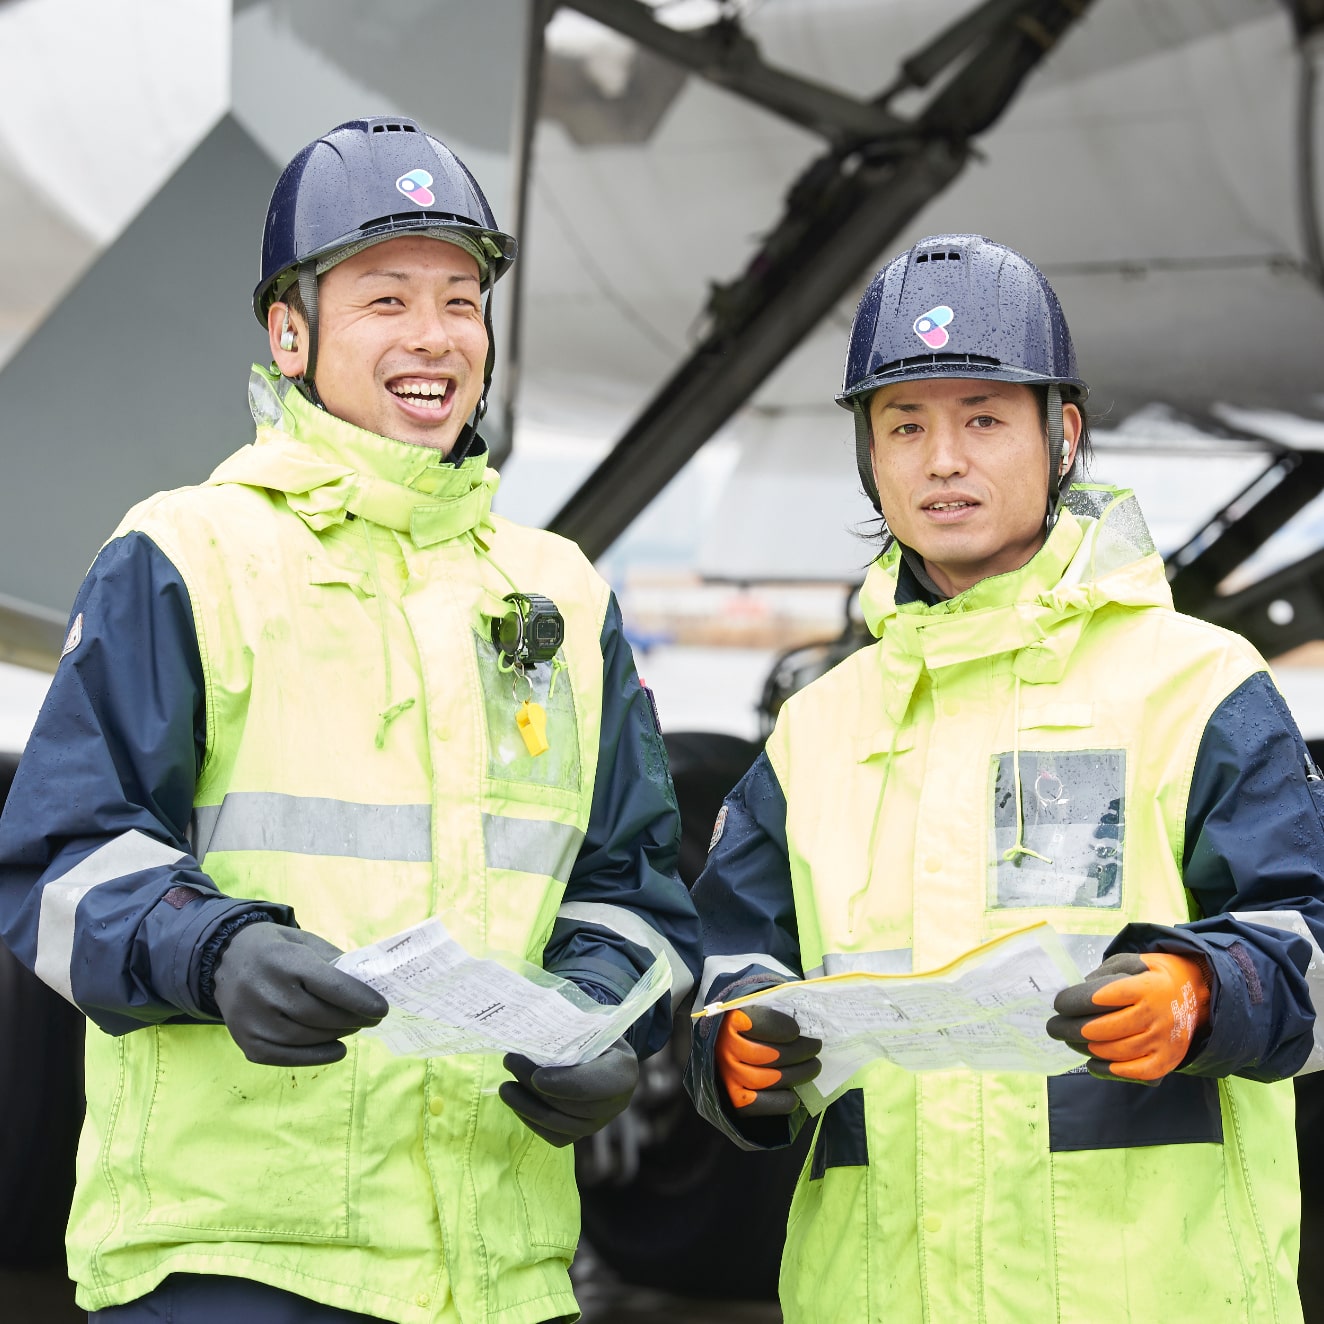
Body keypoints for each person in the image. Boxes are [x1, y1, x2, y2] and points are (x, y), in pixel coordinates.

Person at [0, 116, 701, 1324]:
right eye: (385, 300)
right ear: (291, 330)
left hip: (496, 1271)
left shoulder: (564, 596)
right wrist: (218, 954)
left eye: (461, 300)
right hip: (238, 1261)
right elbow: (57, 865)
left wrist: (603, 1023)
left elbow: (633, 891)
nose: (434, 338)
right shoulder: (186, 555)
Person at [684, 233, 1324, 1322]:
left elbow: (1305, 940)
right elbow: (728, 969)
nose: (943, 460)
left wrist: (1201, 994)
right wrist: (729, 1053)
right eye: (905, 425)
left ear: (1060, 435)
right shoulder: (814, 732)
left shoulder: (1201, 686)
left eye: (982, 418)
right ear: (868, 457)